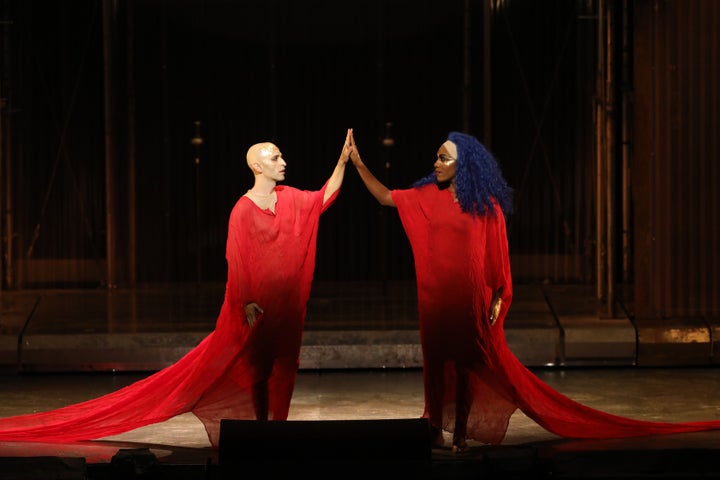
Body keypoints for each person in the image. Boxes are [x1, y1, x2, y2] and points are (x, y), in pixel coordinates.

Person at [348, 129, 720, 452]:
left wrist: (498, 296)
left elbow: (497, 256)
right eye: (437, 157)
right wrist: (359, 163)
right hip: (434, 299)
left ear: (464, 164)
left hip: (468, 299)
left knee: (464, 367)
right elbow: (385, 198)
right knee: (434, 365)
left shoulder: (485, 207)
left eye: (443, 158)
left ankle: (459, 432)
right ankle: (433, 430)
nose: (437, 163)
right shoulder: (427, 197)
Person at [0, 129, 355, 447]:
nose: (283, 161)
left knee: (286, 368)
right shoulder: (243, 210)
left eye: (280, 155)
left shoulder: (291, 199)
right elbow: (238, 259)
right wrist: (246, 301)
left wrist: (342, 162)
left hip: (286, 312)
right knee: (258, 372)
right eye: (274, 156)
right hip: (256, 312)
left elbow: (325, 196)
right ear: (257, 166)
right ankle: (263, 434)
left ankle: (278, 431)